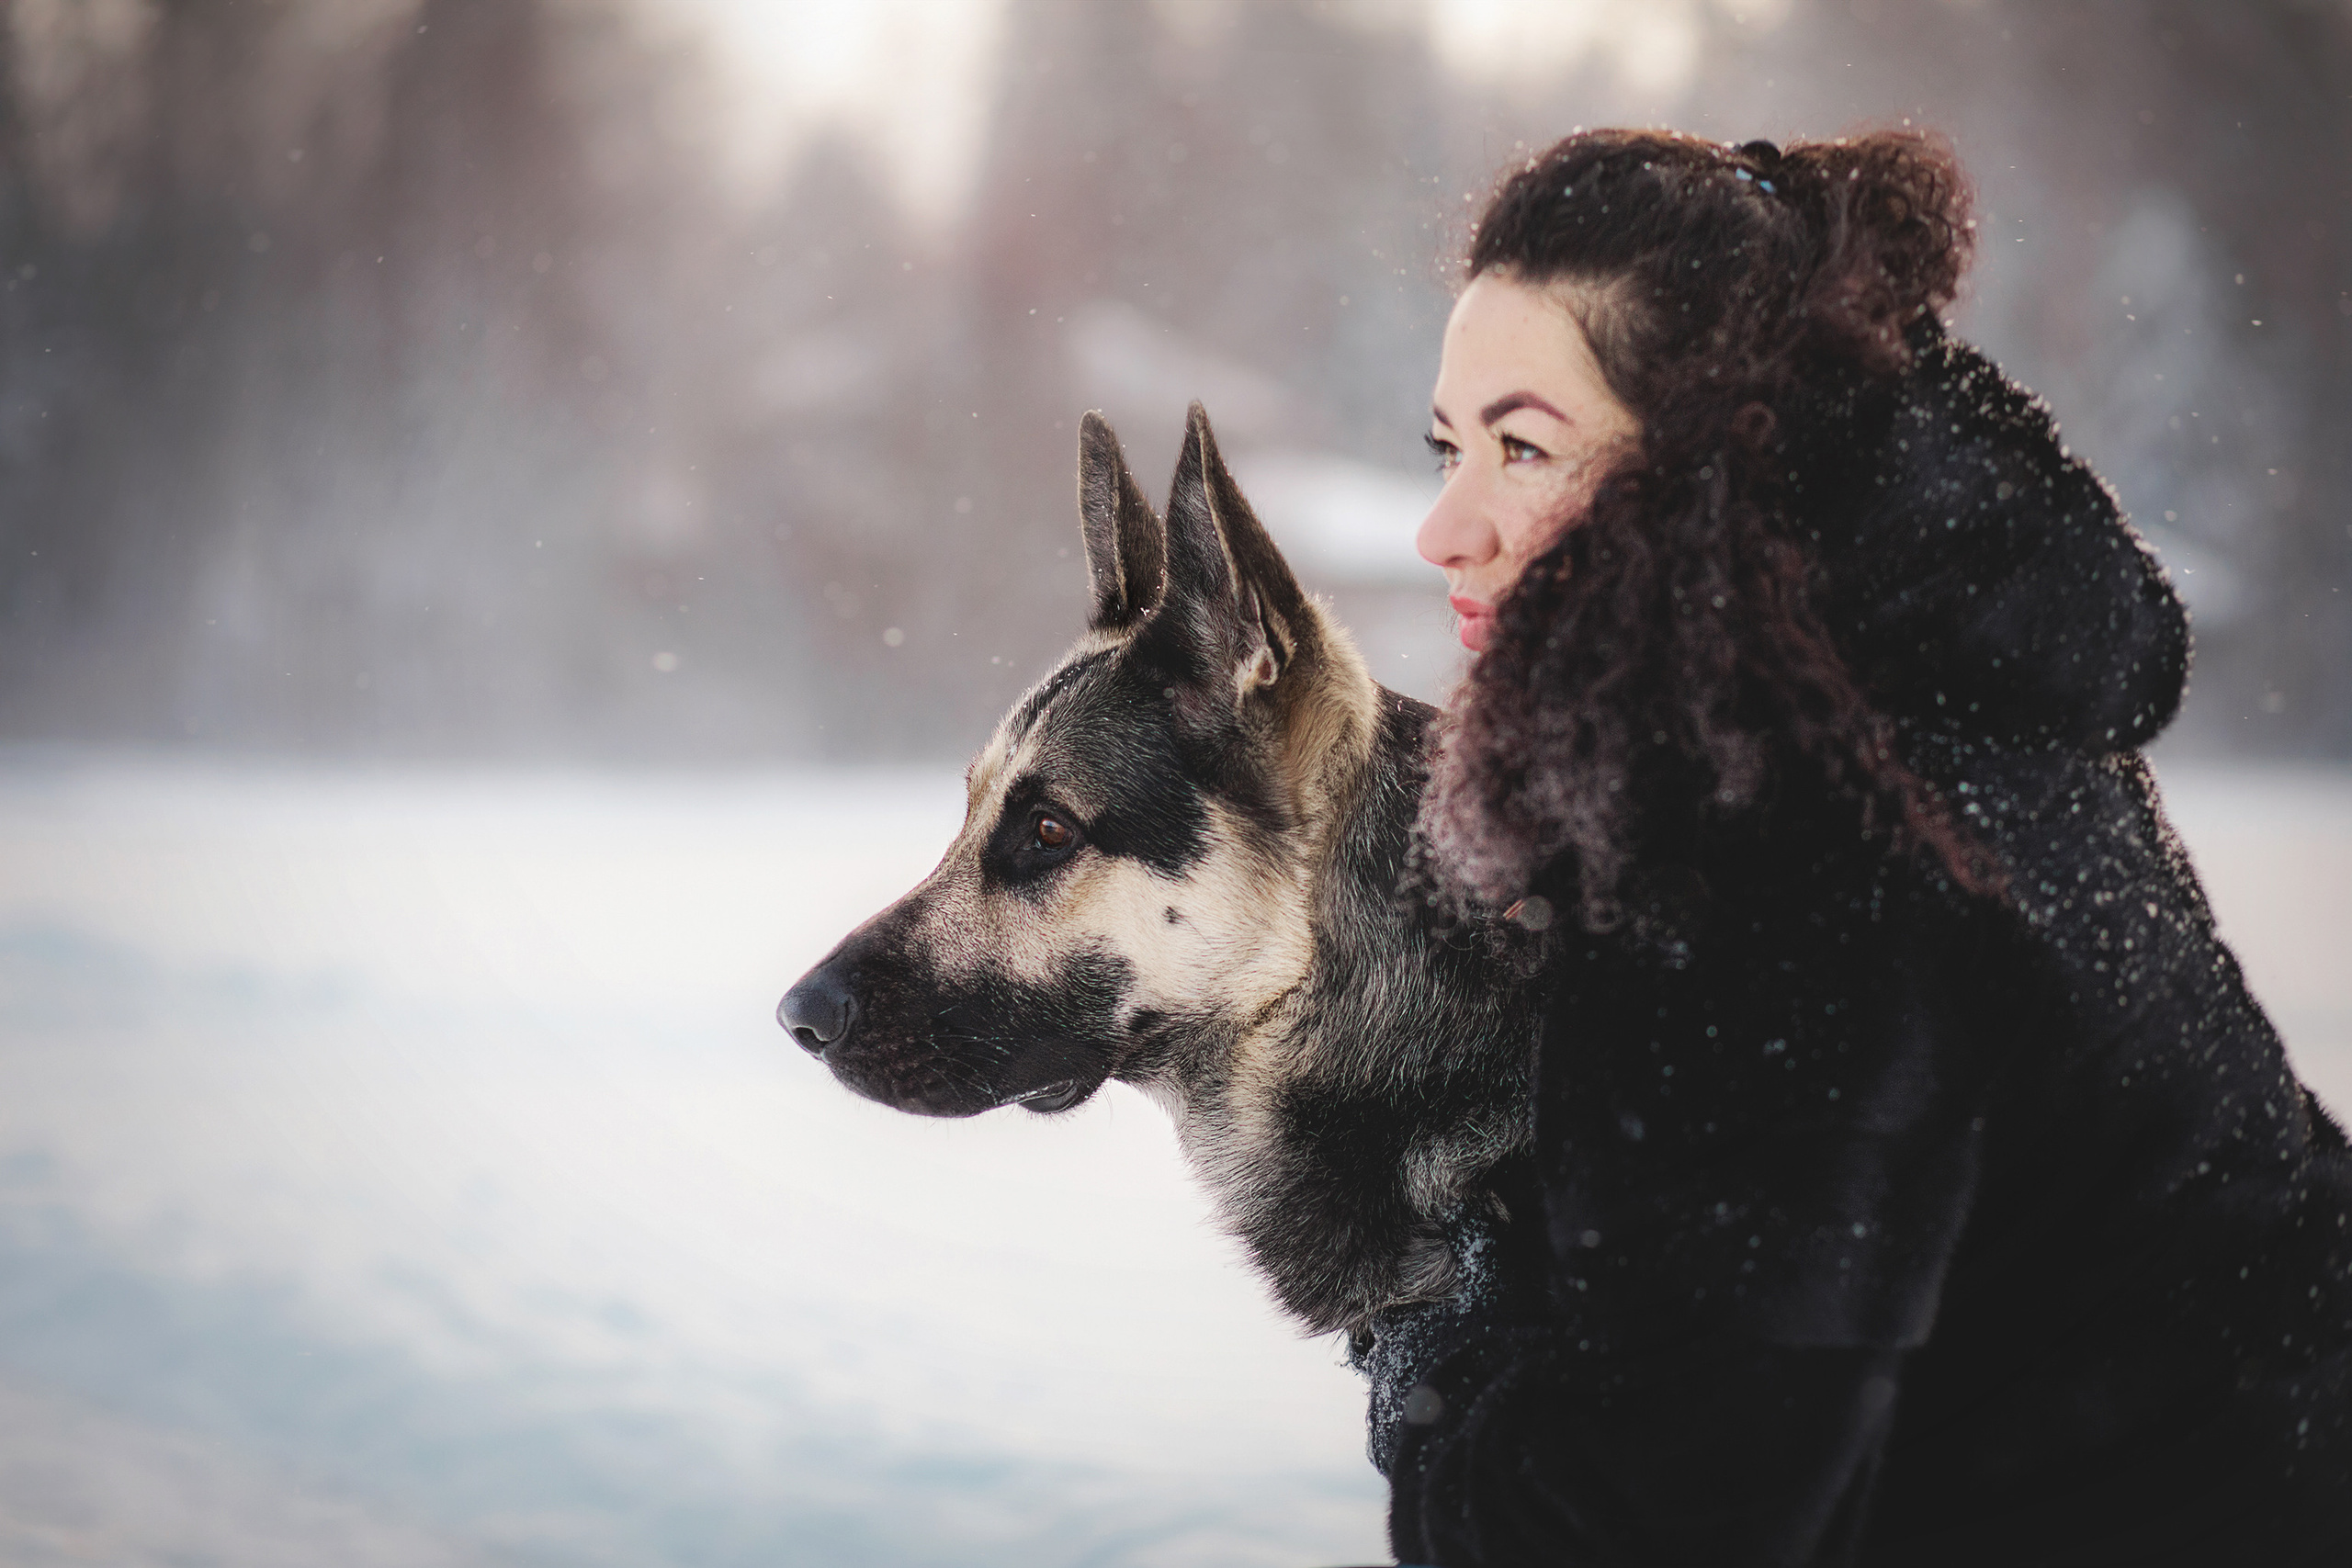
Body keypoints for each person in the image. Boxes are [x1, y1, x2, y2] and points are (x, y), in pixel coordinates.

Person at [1359, 128, 2352, 1566]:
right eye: (1447, 447)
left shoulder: (1774, 828)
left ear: (1705, 467)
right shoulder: (1924, 687)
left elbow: (1661, 1517)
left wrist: (1438, 1365)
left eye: (1525, 448)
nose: (1445, 527)